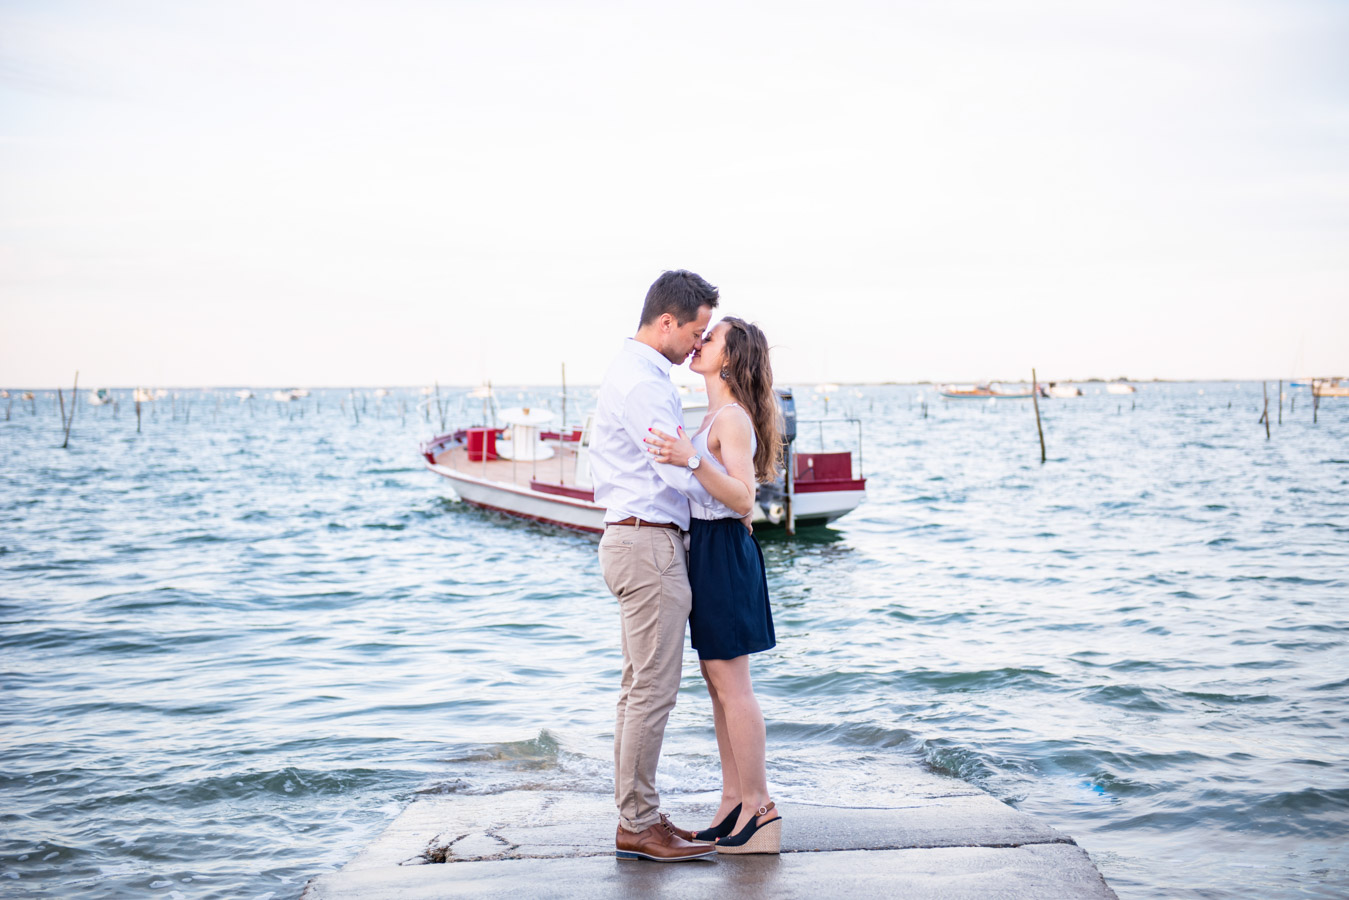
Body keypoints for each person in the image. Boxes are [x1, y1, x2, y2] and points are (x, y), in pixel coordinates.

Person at [591, 269, 720, 862]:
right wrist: (732, 500)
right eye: (695, 332)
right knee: (652, 691)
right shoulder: (643, 384)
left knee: (636, 690)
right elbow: (675, 469)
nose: (697, 345)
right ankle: (638, 823)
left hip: (632, 537)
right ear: (666, 321)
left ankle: (637, 814)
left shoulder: (632, 373)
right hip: (648, 544)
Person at [645, 316, 784, 855]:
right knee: (716, 685)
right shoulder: (712, 416)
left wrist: (691, 457)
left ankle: (761, 807)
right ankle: (733, 802)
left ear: (730, 358)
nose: (699, 342)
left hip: (724, 552)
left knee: (734, 686)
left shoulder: (732, 419)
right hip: (708, 549)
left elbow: (745, 498)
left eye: (712, 338)